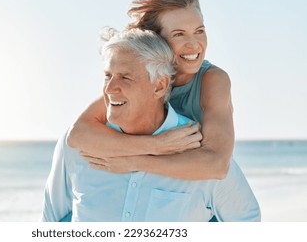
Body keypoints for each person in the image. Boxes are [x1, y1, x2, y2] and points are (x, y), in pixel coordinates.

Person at [42, 28, 260, 222]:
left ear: (160, 86)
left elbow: (247, 220)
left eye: (125, 78)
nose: (110, 89)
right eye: (107, 76)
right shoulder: (75, 146)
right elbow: (52, 221)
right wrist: (154, 146)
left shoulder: (201, 153)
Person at [67, 0, 233, 180]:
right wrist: (156, 145)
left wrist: (134, 162)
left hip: (198, 193)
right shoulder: (140, 78)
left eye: (199, 31)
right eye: (179, 34)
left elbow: (218, 165)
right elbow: (78, 135)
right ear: (155, 40)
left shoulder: (213, 80)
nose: (194, 44)